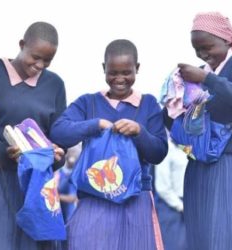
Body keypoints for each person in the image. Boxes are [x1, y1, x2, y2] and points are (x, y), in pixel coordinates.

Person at [50, 39, 168, 250]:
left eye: (127, 72)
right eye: (113, 72)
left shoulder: (149, 104)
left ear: (137, 69)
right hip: (94, 197)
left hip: (136, 198)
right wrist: (95, 124)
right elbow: (59, 131)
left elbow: (158, 153)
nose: (119, 79)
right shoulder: (88, 103)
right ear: (104, 68)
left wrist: (139, 132)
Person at [0, 21, 67, 250]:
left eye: (47, 60)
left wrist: (57, 155)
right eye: (35, 57)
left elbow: (60, 137)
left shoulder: (55, 85)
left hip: (35, 183)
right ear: (22, 44)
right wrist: (3, 152)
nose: (39, 65)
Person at [164, 12, 232, 250]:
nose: (202, 54)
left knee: (227, 235)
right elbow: (176, 123)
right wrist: (173, 101)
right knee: (201, 238)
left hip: (229, 164)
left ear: (225, 40)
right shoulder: (199, 73)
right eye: (197, 49)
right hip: (199, 164)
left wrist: (206, 80)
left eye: (206, 47)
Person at [154, 139, 188, 250]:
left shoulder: (188, 147)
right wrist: (181, 206)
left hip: (190, 205)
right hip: (171, 208)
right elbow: (163, 187)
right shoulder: (167, 148)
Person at [56, 144, 80, 222]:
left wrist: (57, 197)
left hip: (68, 214)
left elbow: (73, 198)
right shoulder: (59, 171)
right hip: (58, 212)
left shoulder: (75, 175)